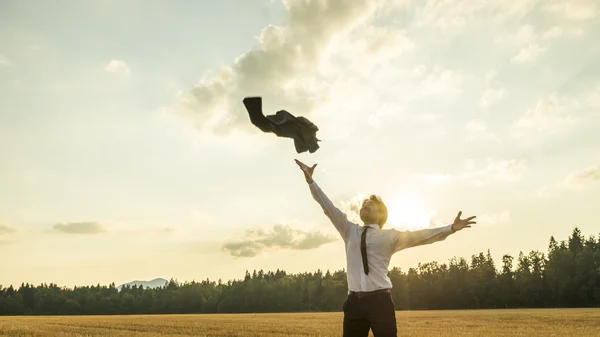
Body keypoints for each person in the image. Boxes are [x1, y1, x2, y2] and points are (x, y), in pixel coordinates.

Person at [294, 159, 476, 337]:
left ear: (381, 215)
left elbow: (422, 236)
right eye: (363, 205)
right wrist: (311, 181)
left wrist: (450, 228)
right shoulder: (348, 230)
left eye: (370, 205)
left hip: (380, 302)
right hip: (354, 304)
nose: (365, 206)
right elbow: (327, 206)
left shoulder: (390, 237)